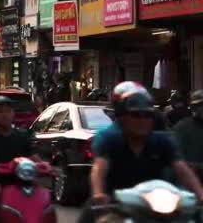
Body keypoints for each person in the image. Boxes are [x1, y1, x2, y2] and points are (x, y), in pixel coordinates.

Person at [78, 81, 203, 223]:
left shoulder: (163, 141)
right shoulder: (110, 140)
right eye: (135, 115)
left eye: (147, 115)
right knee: (93, 213)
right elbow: (99, 168)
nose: (142, 120)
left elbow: (182, 169)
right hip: (116, 203)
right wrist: (99, 194)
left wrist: (200, 193)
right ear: (122, 117)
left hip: (160, 201)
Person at [0, 96, 40, 168]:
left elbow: (34, 157)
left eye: (8, 111)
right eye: (0, 111)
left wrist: (45, 167)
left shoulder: (23, 136)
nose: (5, 115)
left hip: (21, 176)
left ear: (13, 114)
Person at [174, 89, 203, 178]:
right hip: (192, 182)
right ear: (194, 107)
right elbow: (175, 160)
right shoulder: (182, 128)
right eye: (200, 105)